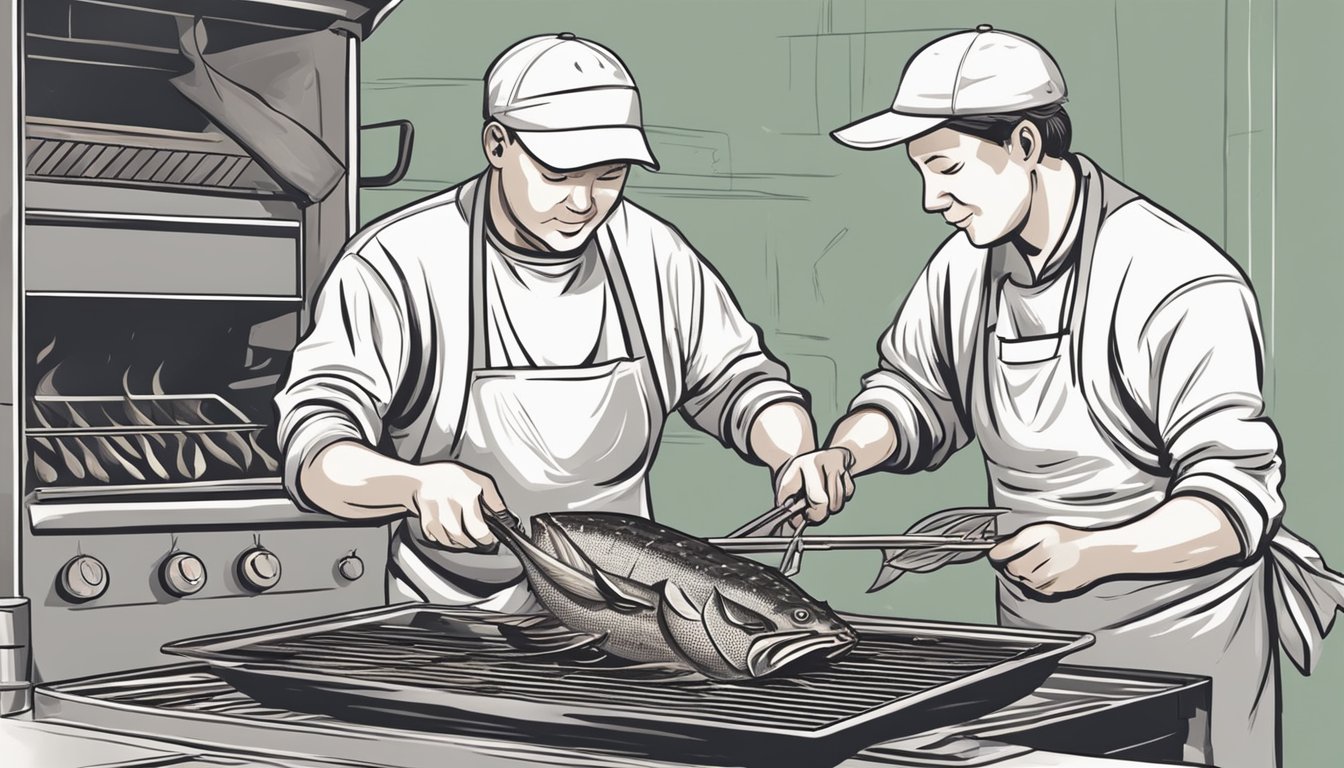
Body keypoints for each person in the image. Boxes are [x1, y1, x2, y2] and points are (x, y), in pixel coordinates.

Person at [778, 24, 1344, 768]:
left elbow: (1233, 506)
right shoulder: (962, 269)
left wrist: (1095, 552)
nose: (929, 198)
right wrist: (848, 450)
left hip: (1186, 657)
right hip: (1037, 656)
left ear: (1023, 143)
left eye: (946, 168)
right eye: (920, 171)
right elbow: (914, 393)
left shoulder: (1174, 278)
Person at [273, 33, 825, 613]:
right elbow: (318, 451)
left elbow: (741, 383)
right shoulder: (399, 262)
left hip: (624, 616)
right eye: (560, 173)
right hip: (454, 618)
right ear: (496, 144)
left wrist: (793, 454)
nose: (585, 203)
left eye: (609, 174)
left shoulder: (651, 254)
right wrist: (415, 486)